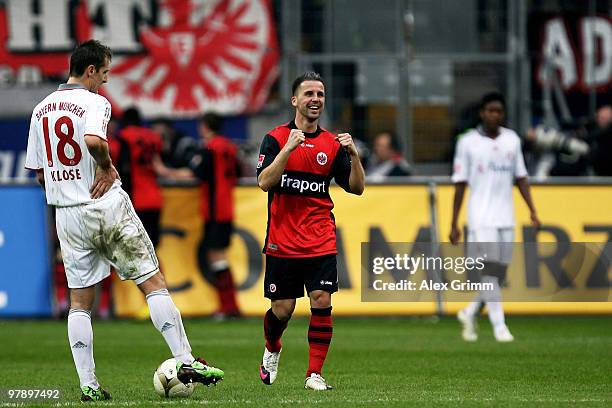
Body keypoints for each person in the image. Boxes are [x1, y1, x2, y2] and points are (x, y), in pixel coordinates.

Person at [24, 40, 224, 402]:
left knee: (80, 302)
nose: (104, 81)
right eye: (103, 73)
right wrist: (104, 165)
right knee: (153, 281)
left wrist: (65, 186)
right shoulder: (95, 102)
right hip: (105, 205)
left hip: (67, 216)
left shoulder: (40, 111)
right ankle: (185, 359)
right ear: (90, 71)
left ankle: (88, 383)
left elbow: (39, 174)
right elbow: (91, 140)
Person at [256, 72, 365, 390]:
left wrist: (354, 157)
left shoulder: (332, 144)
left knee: (321, 300)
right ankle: (273, 347)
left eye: (320, 93)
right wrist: (288, 149)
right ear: (295, 100)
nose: (315, 99)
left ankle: (314, 374)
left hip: (320, 238)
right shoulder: (276, 138)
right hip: (282, 241)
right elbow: (264, 182)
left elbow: (357, 188)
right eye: (309, 94)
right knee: (283, 309)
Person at [449, 92, 541, 343]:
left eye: (499, 111)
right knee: (490, 272)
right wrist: (454, 222)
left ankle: (469, 312)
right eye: (490, 110)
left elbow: (521, 176)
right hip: (481, 217)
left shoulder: (512, 140)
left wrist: (532, 210)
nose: (495, 115)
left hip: (506, 217)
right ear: (482, 113)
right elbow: (460, 183)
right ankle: (500, 326)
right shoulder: (467, 142)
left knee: (498, 275)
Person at [188, 112, 241, 319]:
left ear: (205, 126)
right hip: (227, 207)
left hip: (214, 210)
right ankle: (230, 305)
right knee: (219, 257)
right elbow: (236, 172)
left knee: (217, 257)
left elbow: (198, 172)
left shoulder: (210, 148)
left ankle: (228, 307)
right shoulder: (229, 147)